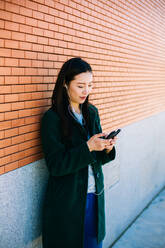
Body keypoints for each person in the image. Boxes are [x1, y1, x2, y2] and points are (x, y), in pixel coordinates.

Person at [41, 57, 117, 248]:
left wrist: (106, 147)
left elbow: (98, 158)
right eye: (81, 86)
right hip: (68, 202)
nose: (86, 91)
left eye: (90, 85)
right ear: (66, 84)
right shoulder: (52, 118)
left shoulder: (91, 112)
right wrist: (88, 147)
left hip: (94, 197)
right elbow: (56, 165)